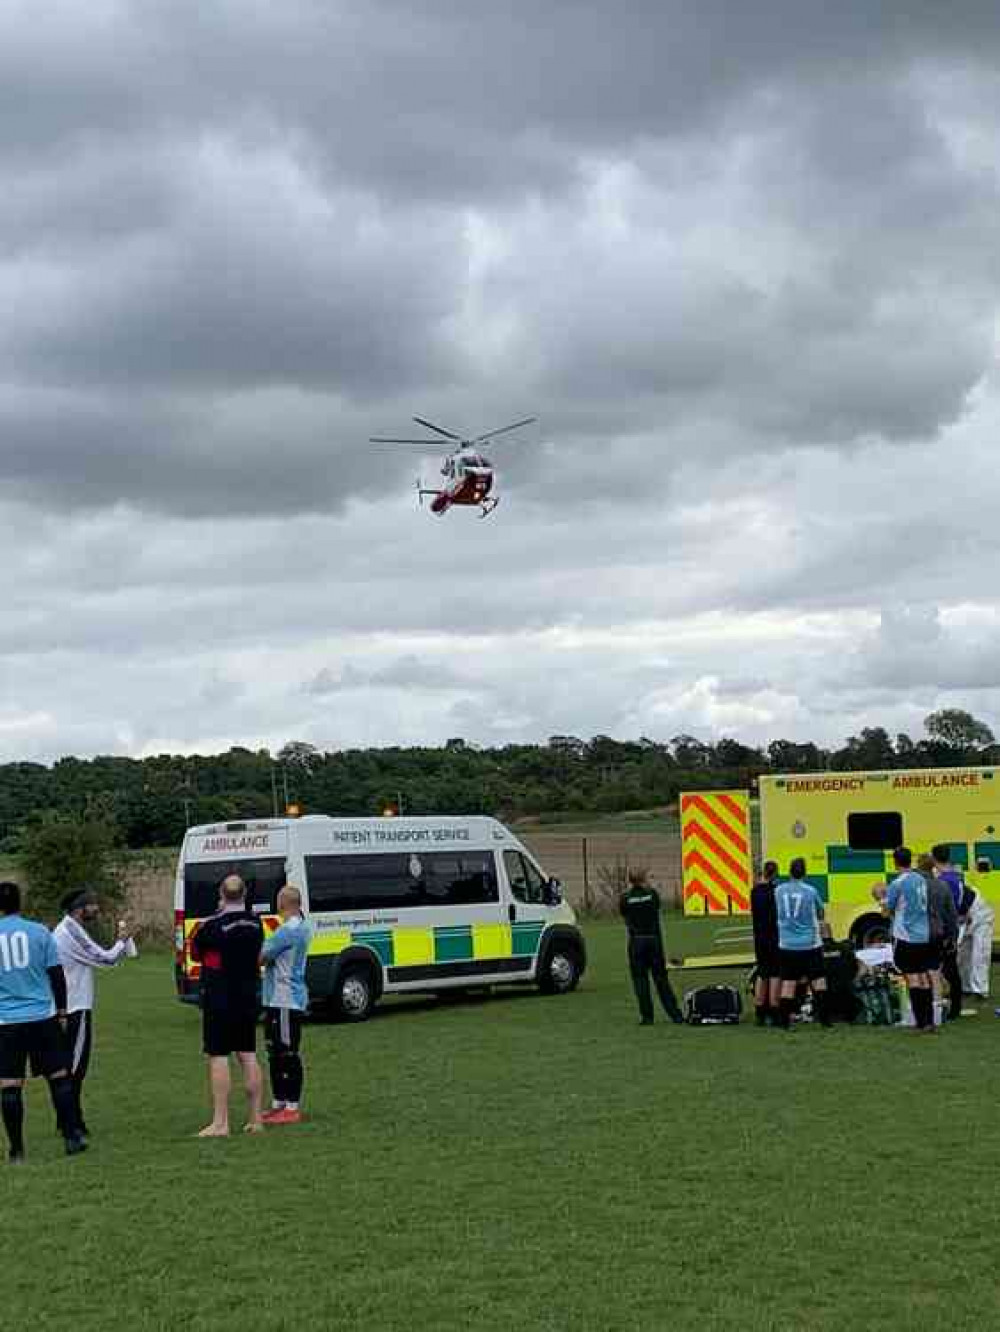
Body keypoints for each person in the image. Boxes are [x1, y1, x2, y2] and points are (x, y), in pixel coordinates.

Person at [0, 881, 86, 1162]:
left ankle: (16, 1150)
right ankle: (72, 1138)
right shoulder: (39, 932)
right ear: (19, 903)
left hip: (6, 1022)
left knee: (10, 1085)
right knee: (59, 1077)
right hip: (42, 1017)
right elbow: (56, 975)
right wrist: (62, 1011)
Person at [52, 889, 134, 1139]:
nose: (96, 909)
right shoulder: (71, 931)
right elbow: (105, 959)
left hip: (66, 1006)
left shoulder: (66, 928)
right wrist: (123, 939)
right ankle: (73, 1122)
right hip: (76, 1007)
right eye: (93, 905)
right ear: (80, 908)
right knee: (75, 1068)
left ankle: (65, 1118)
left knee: (68, 1065)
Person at [189, 874, 265, 1137]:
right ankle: (256, 1118)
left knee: (218, 1055)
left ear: (221, 894)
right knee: (248, 1054)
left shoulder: (211, 926)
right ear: (244, 894)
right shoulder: (256, 923)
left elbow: (196, 953)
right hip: (247, 995)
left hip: (219, 996)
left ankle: (221, 1122)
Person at [261, 885, 312, 1125]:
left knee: (286, 1052)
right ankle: (279, 1102)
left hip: (284, 998)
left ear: (282, 903)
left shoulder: (287, 931)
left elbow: (262, 955)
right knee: (276, 1052)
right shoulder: (301, 926)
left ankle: (291, 1106)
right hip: (281, 998)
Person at [873, 847, 934, 1032]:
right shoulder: (921, 879)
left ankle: (920, 1022)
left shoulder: (897, 883)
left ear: (895, 862)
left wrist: (881, 898)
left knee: (912, 978)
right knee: (924, 977)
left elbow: (887, 911)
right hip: (923, 934)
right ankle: (930, 1020)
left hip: (905, 935)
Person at [619, 868, 683, 1026]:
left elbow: (625, 915)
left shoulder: (625, 898)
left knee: (640, 981)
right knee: (661, 980)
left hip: (636, 942)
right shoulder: (652, 895)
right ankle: (675, 1015)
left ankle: (647, 1017)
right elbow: (656, 908)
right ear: (643, 879)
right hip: (653, 940)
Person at [774, 858, 830, 1029]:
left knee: (788, 983)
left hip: (787, 944)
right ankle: (824, 1020)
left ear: (790, 872)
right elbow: (821, 912)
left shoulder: (779, 890)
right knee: (819, 981)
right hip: (810, 943)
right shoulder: (811, 891)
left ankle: (784, 1021)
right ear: (804, 873)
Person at [918, 853, 958, 1022]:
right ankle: (940, 1009)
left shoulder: (916, 887)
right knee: (940, 973)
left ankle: (923, 1011)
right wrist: (953, 937)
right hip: (939, 935)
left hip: (919, 935)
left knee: (922, 974)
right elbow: (951, 915)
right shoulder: (943, 886)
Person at [928, 846, 963, 1019]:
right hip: (952, 927)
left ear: (934, 858)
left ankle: (952, 1007)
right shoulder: (955, 877)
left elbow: (945, 909)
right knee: (950, 969)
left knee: (947, 970)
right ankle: (954, 1005)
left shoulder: (944, 881)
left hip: (945, 929)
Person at [956, 857, 995, 999]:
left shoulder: (954, 888)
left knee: (980, 953)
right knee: (962, 954)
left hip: (980, 914)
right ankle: (965, 987)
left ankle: (980, 990)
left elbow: (964, 907)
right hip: (965, 916)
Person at [750, 860, 781, 1026]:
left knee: (762, 974)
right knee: (775, 974)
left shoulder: (754, 892)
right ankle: (774, 1010)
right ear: (774, 874)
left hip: (759, 937)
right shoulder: (776, 892)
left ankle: (760, 1011)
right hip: (774, 937)